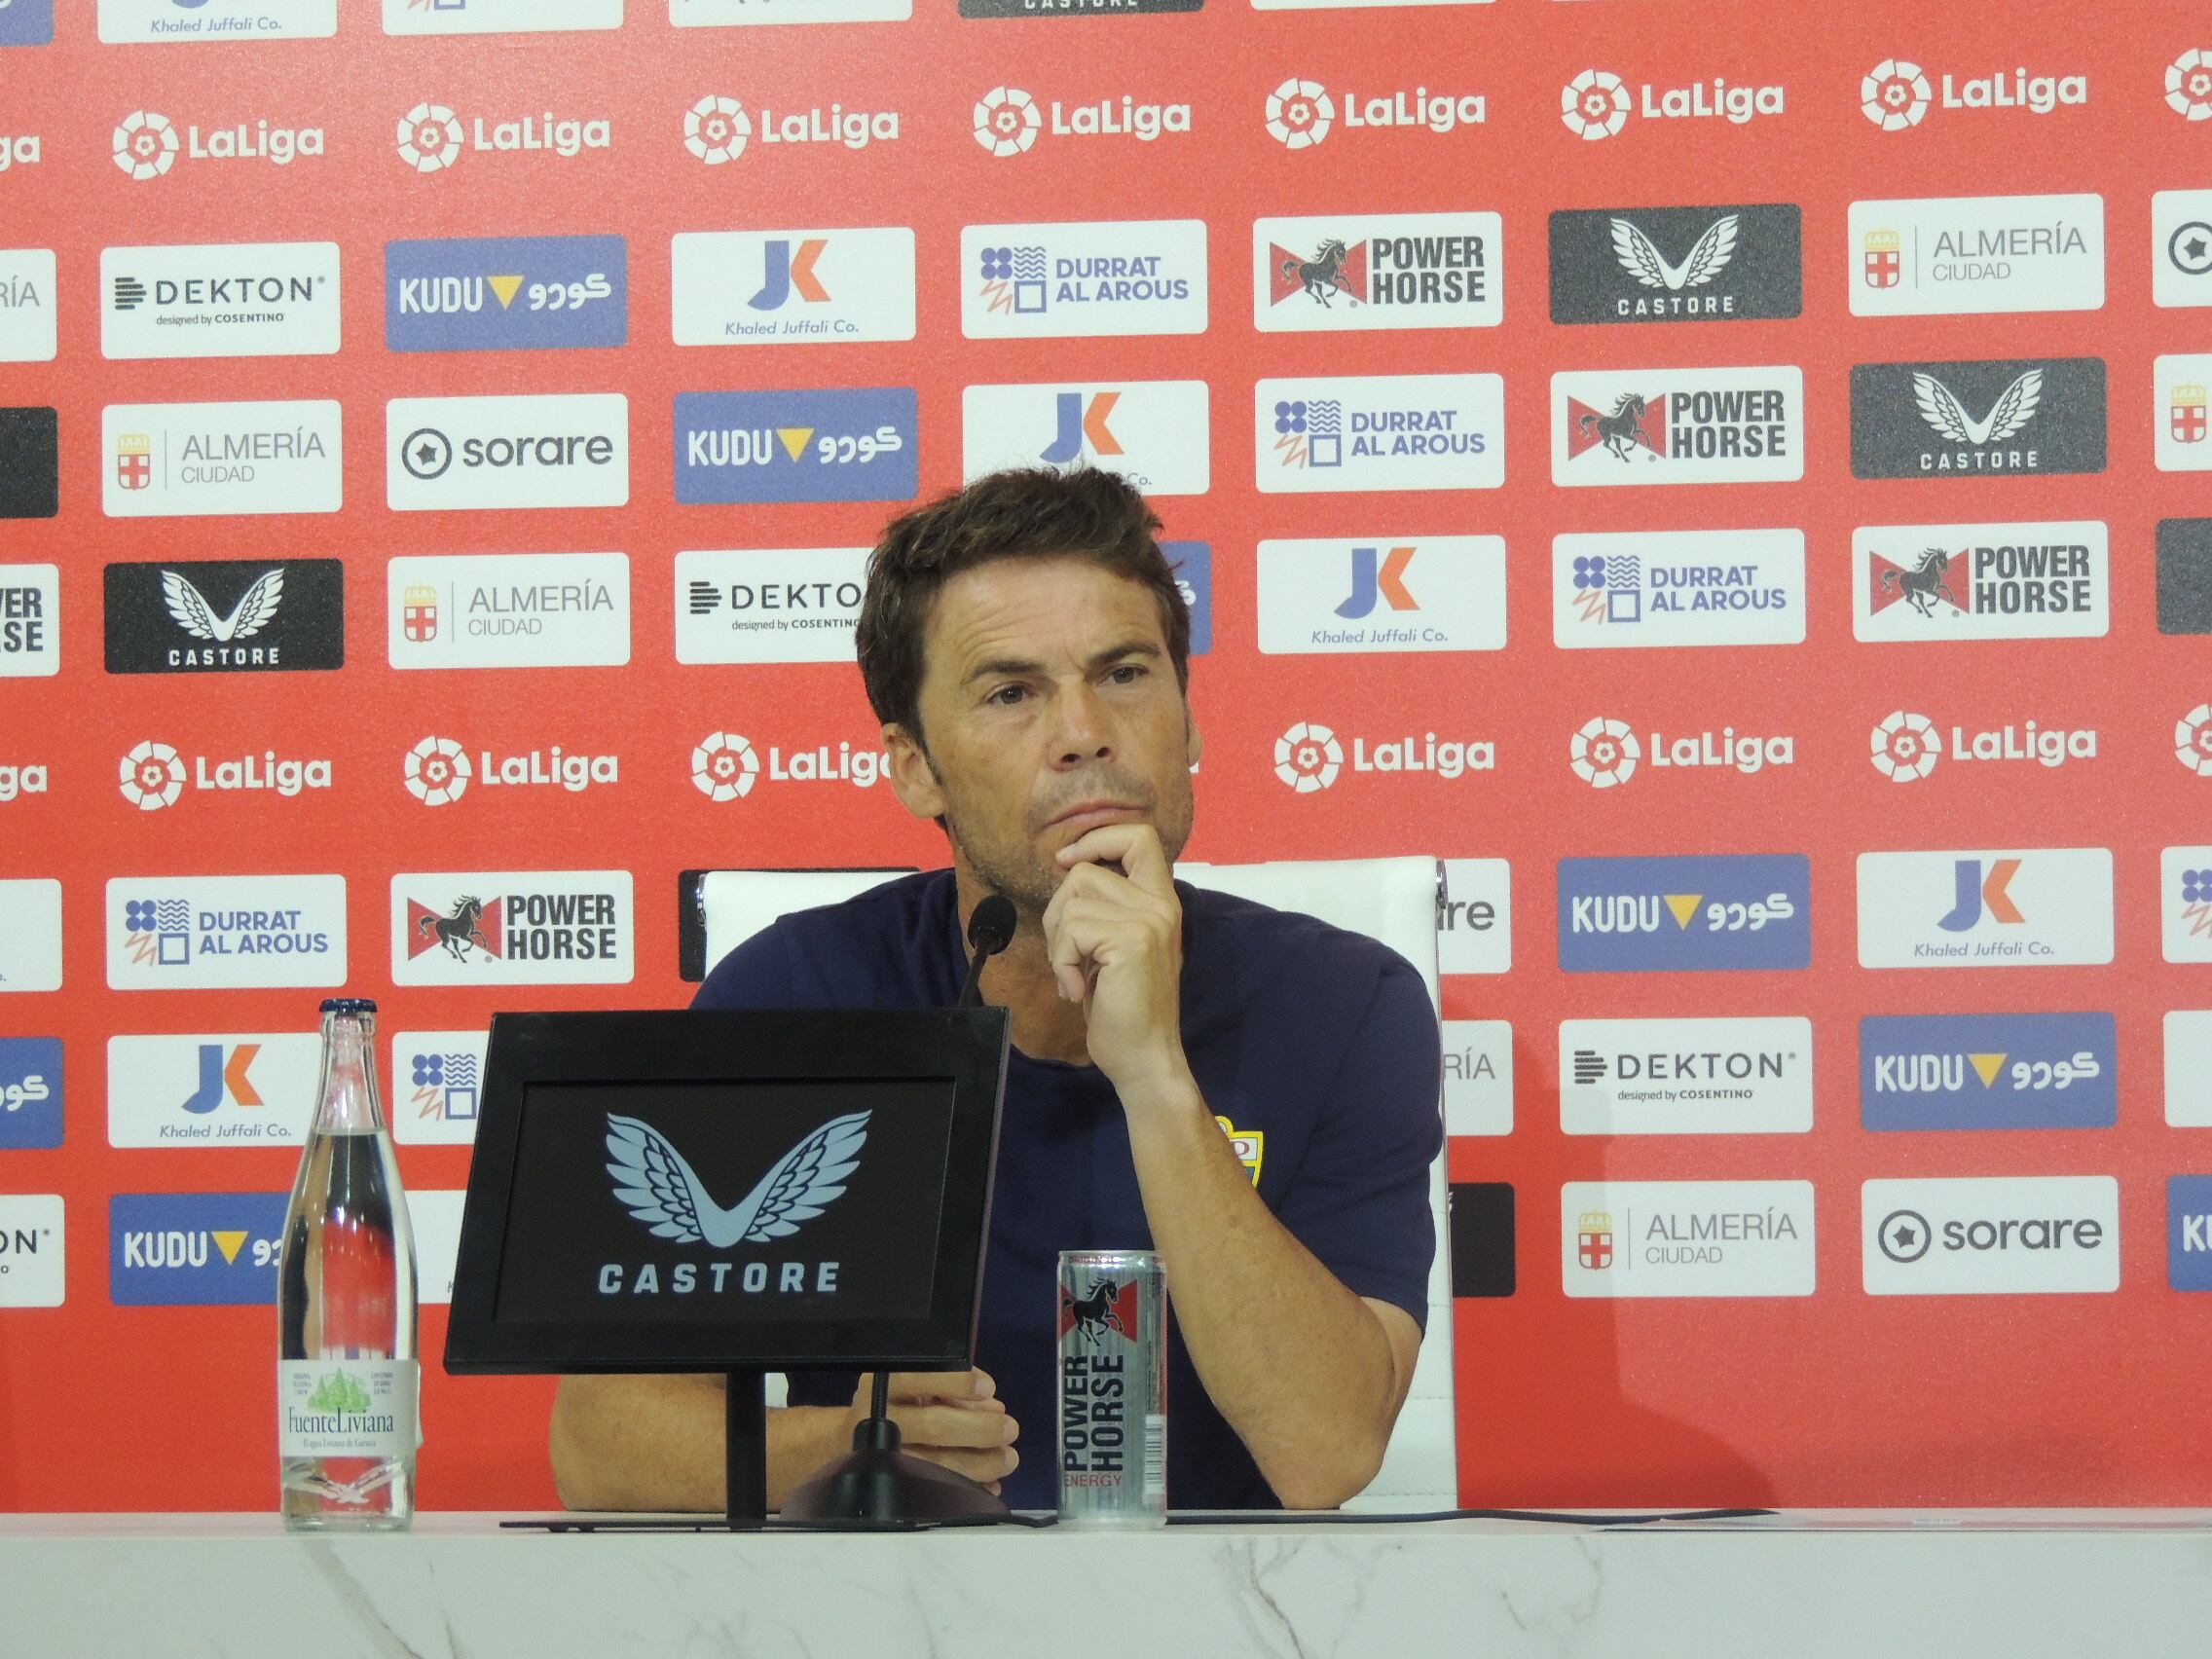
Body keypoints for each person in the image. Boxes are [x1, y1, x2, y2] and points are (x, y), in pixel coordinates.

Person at [549, 466, 1443, 1511]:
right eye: (1011, 693)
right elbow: (598, 1447)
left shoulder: (1346, 1003)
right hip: (886, 1596)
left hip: (1225, 1595)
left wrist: (1154, 1075)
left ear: (1190, 720)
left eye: (1124, 674)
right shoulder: (797, 996)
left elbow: (1325, 1453)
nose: (1082, 733)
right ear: (914, 767)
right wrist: (853, 1445)